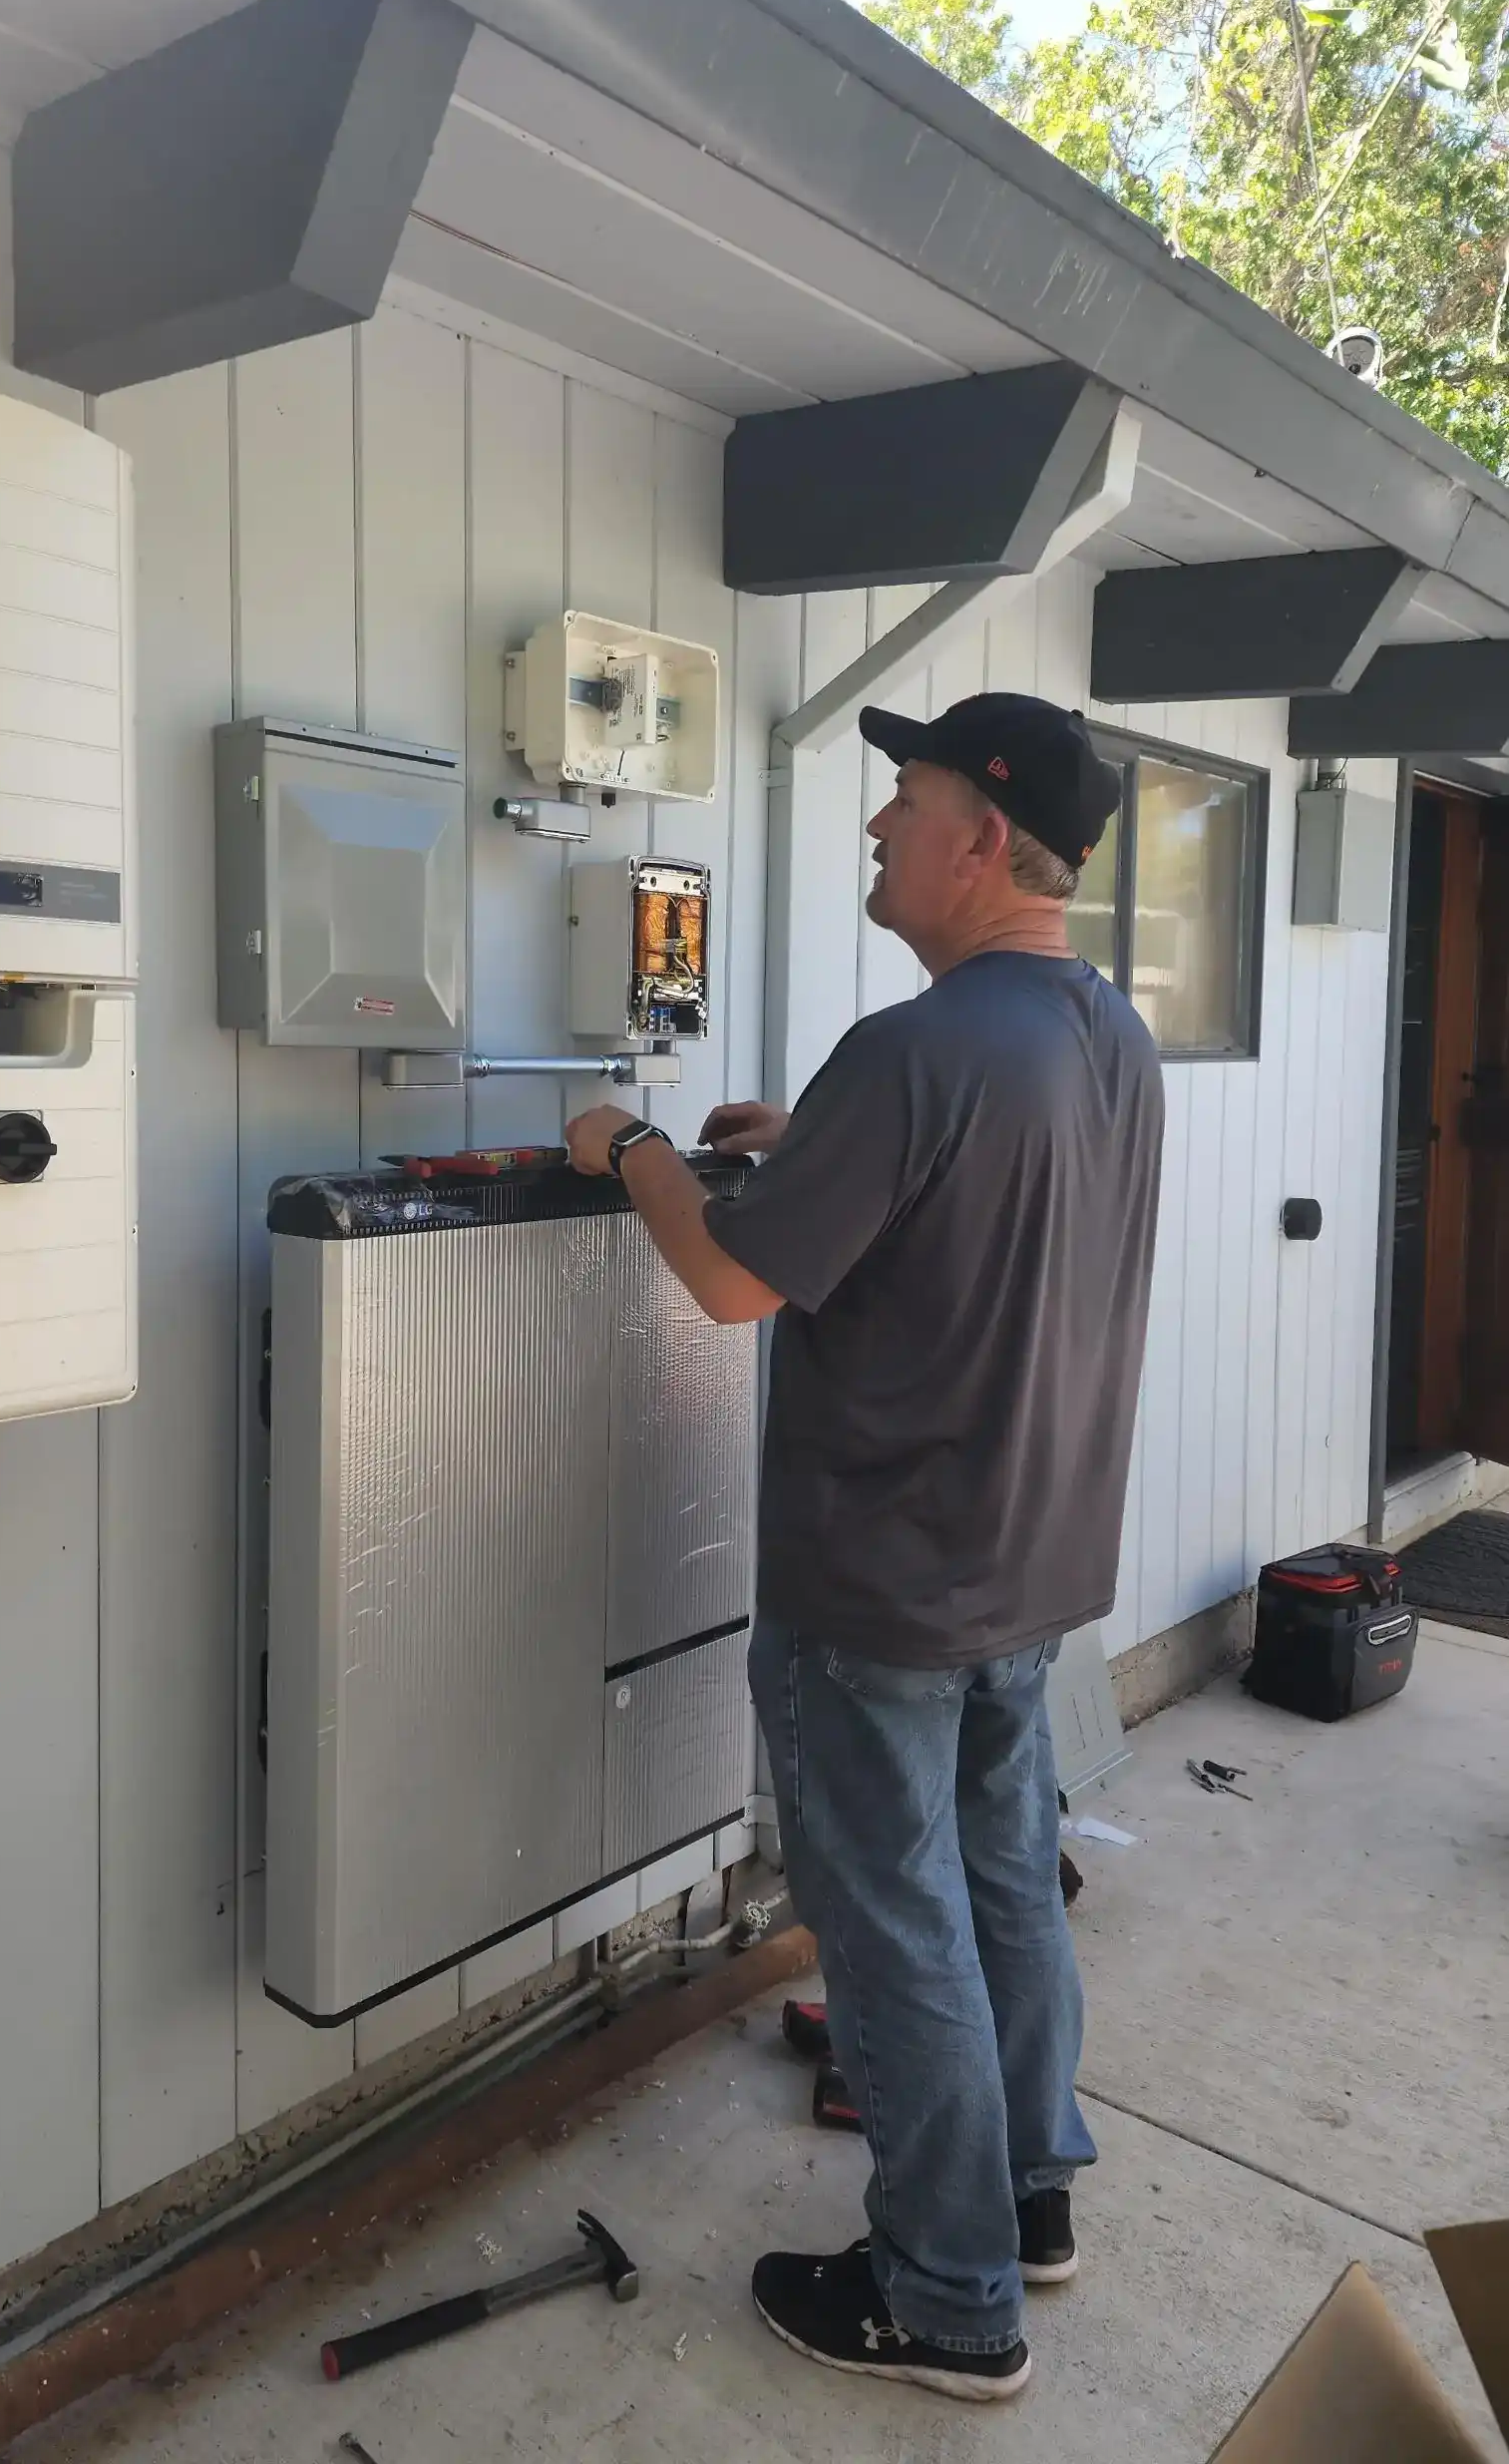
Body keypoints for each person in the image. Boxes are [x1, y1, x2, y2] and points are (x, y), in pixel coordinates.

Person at [566, 692, 1163, 2404]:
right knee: (1001, 1888)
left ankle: (951, 2299)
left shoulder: (915, 1052)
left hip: (886, 1583)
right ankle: (1031, 2198)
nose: (877, 831)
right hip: (1029, 1563)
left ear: (983, 833)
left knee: (893, 1932)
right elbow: (962, 1221)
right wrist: (801, 1155)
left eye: (898, 803)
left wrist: (641, 1151)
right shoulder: (1100, 1035)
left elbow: (732, 1281)